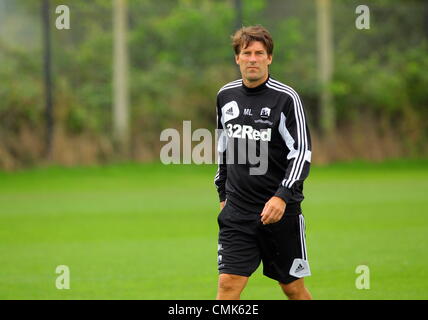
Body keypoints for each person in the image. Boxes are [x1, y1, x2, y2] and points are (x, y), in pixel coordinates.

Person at [214, 25, 313, 300]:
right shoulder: (225, 96)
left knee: (292, 288)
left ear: (269, 58)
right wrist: (223, 194)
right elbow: (224, 149)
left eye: (259, 53)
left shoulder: (286, 98)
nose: (253, 59)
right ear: (237, 58)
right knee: (228, 284)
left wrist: (281, 197)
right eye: (247, 53)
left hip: (280, 213)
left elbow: (301, 152)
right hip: (238, 212)